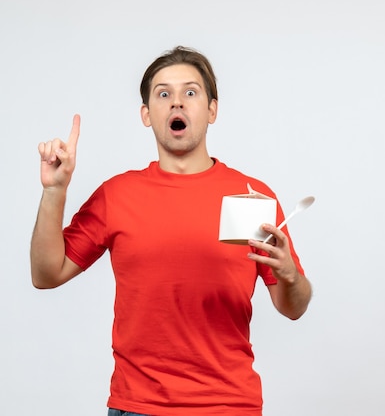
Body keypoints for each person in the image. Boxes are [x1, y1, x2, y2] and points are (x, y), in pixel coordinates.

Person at [30, 46, 312, 416]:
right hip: (137, 406)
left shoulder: (251, 198)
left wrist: (290, 276)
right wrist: (54, 190)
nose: (177, 103)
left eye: (190, 92)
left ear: (212, 109)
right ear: (147, 114)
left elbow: (294, 308)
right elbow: (46, 274)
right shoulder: (117, 195)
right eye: (163, 94)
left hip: (229, 406)